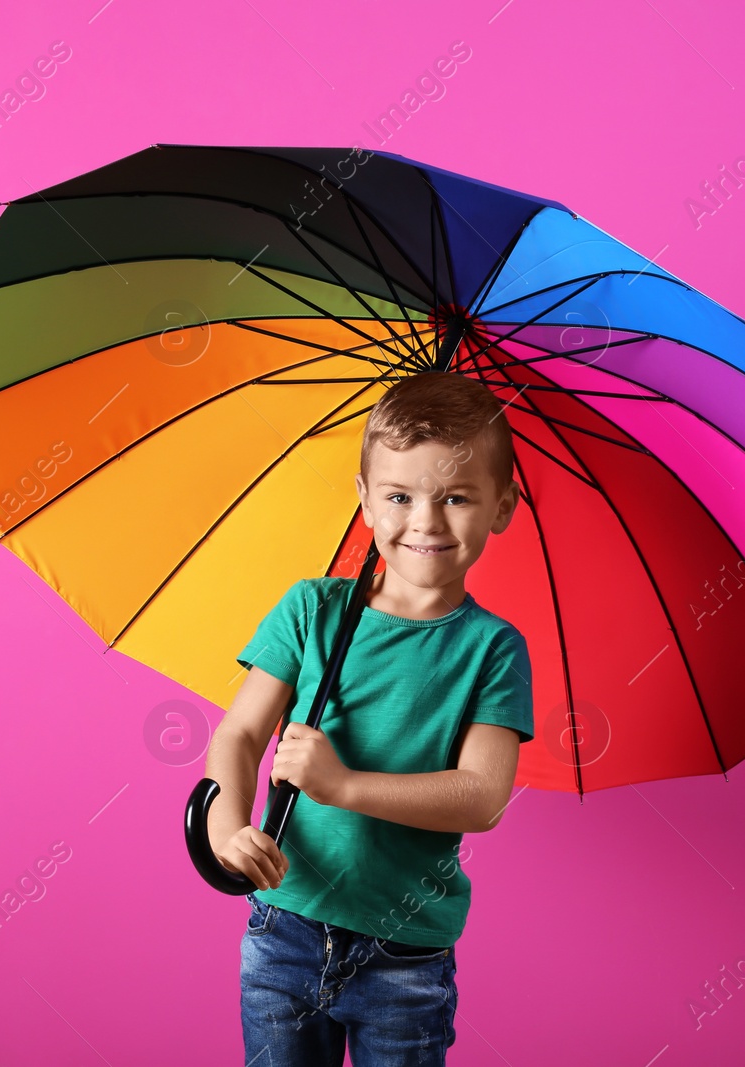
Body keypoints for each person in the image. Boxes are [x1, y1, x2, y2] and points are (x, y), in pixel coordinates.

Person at [202, 371, 536, 1066]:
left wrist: (344, 784)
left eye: (456, 497)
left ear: (501, 506)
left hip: (404, 956)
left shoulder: (493, 649)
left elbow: (482, 795)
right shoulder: (312, 611)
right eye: (399, 495)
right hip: (285, 929)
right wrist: (227, 828)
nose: (425, 521)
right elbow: (238, 735)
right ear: (364, 500)